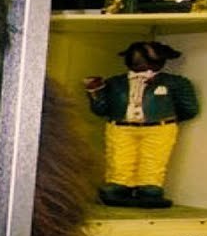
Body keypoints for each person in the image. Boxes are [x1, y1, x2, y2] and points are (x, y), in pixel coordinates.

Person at [84, 40, 199, 208]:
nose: (139, 62)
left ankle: (149, 186)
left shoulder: (175, 83)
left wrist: (166, 120)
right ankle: (119, 183)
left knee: (154, 158)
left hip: (159, 129)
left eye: (145, 58)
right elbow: (101, 109)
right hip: (121, 127)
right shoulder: (115, 83)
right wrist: (95, 92)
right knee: (119, 156)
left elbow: (189, 108)